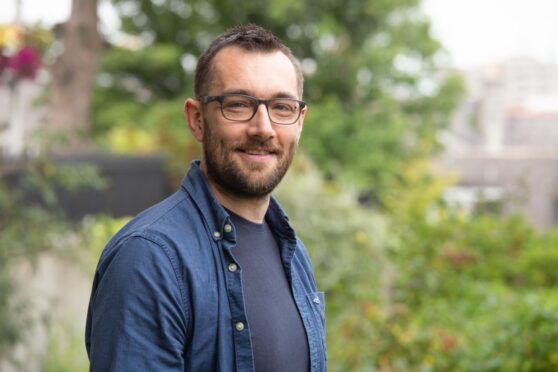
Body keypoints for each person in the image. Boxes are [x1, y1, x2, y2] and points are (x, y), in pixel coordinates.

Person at [85, 24, 326, 371]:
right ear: (197, 119)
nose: (263, 127)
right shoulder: (150, 258)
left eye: (282, 107)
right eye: (239, 104)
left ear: (300, 122)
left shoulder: (293, 252)